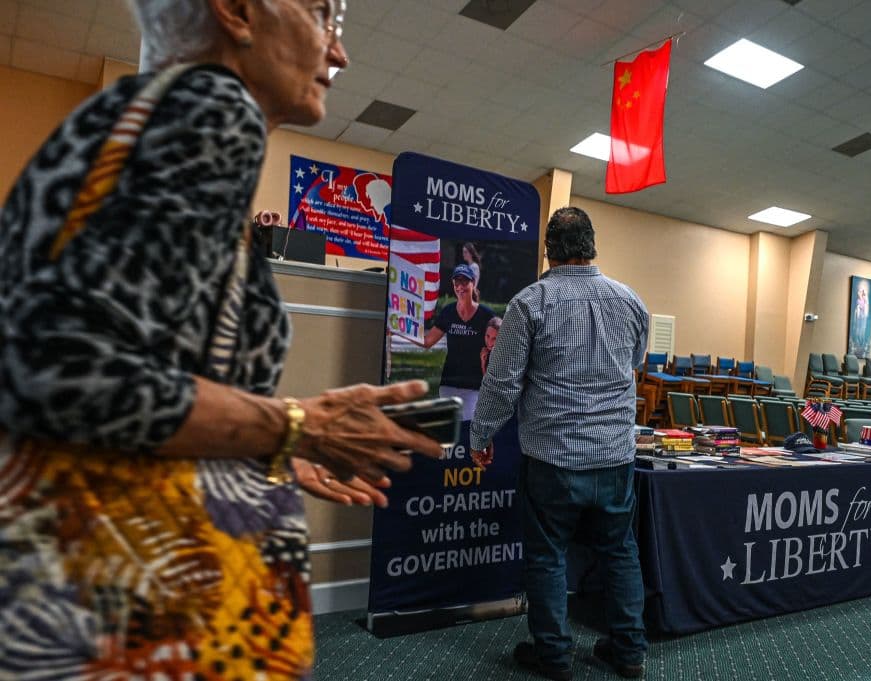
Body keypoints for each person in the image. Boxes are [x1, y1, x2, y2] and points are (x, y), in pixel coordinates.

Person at [0, 1, 443, 678]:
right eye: (326, 14)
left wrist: (262, 444)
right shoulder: (213, 109)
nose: (339, 52)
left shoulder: (141, 119)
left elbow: (123, 373)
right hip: (125, 624)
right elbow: (61, 369)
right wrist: (300, 425)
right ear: (237, 10)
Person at [470, 207, 649, 680]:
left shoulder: (530, 303)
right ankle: (629, 652)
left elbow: (502, 382)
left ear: (548, 249)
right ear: (593, 245)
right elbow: (634, 360)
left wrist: (481, 434)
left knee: (548, 557)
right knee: (620, 551)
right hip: (614, 457)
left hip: (552, 458)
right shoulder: (631, 301)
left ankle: (553, 656)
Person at [421, 264, 495, 417]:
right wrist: (399, 331)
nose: (460, 286)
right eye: (457, 282)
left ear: (473, 283)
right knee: (451, 432)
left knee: (468, 430)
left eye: (465, 282)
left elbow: (500, 341)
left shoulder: (486, 315)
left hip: (474, 386)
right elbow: (427, 341)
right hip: (449, 383)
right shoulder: (448, 312)